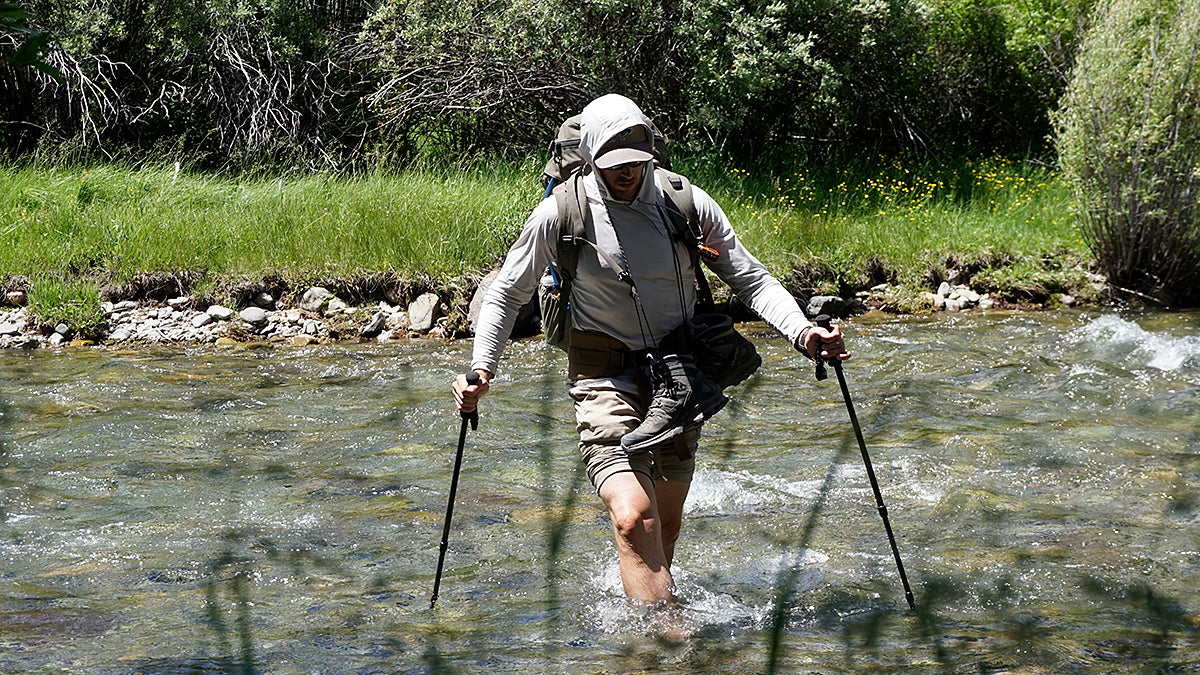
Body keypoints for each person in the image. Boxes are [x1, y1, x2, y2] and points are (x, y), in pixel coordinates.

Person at [452, 93, 848, 607]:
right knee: (634, 517)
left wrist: (802, 333)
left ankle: (648, 600)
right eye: (614, 164)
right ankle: (664, 643)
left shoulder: (684, 202)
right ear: (592, 156)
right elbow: (508, 291)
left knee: (664, 522)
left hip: (681, 379)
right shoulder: (559, 214)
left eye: (637, 162)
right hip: (602, 377)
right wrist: (483, 368)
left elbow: (749, 277)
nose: (627, 173)